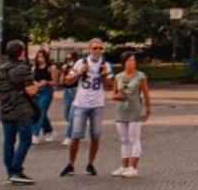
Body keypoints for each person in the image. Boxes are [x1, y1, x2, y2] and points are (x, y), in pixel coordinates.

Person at [61, 39, 112, 177]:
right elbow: (67, 81)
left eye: (101, 48)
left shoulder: (105, 65)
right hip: (81, 104)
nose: (98, 51)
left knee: (95, 136)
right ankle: (71, 164)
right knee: (75, 136)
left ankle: (90, 164)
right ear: (89, 49)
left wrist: (105, 75)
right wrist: (79, 72)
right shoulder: (81, 63)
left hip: (97, 105)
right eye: (95, 48)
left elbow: (110, 87)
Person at [0, 40, 39, 186]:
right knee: (25, 139)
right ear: (21, 52)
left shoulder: (0, 69)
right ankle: (16, 170)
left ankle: (10, 173)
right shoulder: (23, 68)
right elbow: (30, 91)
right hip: (21, 110)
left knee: (9, 141)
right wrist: (37, 86)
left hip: (5, 109)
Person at [112, 53, 152, 178]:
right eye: (129, 60)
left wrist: (148, 109)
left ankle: (133, 167)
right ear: (123, 62)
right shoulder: (118, 77)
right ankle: (124, 166)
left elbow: (146, 94)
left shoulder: (140, 76)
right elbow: (114, 94)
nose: (131, 63)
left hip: (135, 110)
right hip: (121, 111)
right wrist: (118, 96)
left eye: (133, 60)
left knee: (134, 139)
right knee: (124, 140)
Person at [30, 49, 57, 143]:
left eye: (42, 56)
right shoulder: (34, 68)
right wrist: (35, 83)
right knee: (40, 112)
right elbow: (32, 79)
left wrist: (46, 82)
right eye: (38, 57)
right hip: (36, 91)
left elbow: (55, 82)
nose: (40, 59)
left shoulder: (51, 67)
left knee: (41, 111)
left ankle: (34, 134)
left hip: (47, 91)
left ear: (46, 57)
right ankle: (48, 131)